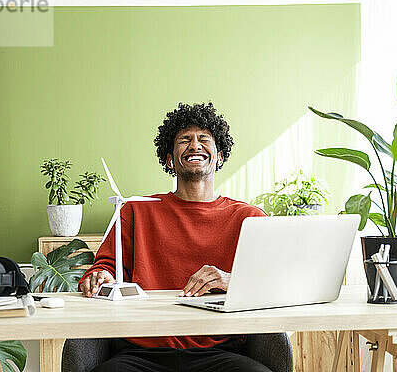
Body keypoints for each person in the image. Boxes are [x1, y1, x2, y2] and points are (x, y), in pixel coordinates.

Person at [79, 102, 270, 372]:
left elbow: (275, 285)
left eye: (204, 139)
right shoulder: (135, 210)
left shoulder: (249, 217)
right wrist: (102, 277)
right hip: (141, 352)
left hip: (218, 352)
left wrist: (231, 280)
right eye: (184, 140)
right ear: (169, 159)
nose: (195, 145)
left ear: (220, 157)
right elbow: (104, 267)